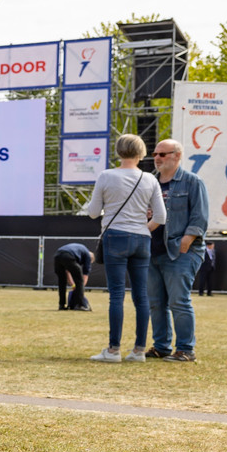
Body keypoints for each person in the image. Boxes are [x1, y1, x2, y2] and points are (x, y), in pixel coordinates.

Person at [83, 134, 166, 363]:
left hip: (115, 237)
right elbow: (161, 216)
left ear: (118, 151)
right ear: (141, 153)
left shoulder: (106, 176)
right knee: (141, 296)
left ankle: (113, 350)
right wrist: (142, 228)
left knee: (117, 295)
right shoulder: (150, 179)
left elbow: (92, 212)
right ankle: (139, 350)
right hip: (141, 238)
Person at [146, 139, 210, 363]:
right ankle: (161, 346)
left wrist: (185, 242)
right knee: (155, 302)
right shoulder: (149, 182)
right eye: (155, 153)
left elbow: (200, 217)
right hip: (152, 250)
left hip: (180, 251)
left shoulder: (192, 181)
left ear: (177, 156)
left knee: (179, 301)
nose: (157, 157)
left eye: (163, 154)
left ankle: (185, 349)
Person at [54, 243, 94, 311]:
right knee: (80, 280)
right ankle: (80, 305)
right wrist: (79, 287)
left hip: (57, 255)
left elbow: (67, 272)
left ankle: (62, 305)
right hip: (68, 255)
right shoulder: (87, 255)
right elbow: (85, 275)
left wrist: (73, 285)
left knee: (62, 282)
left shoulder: (79, 252)